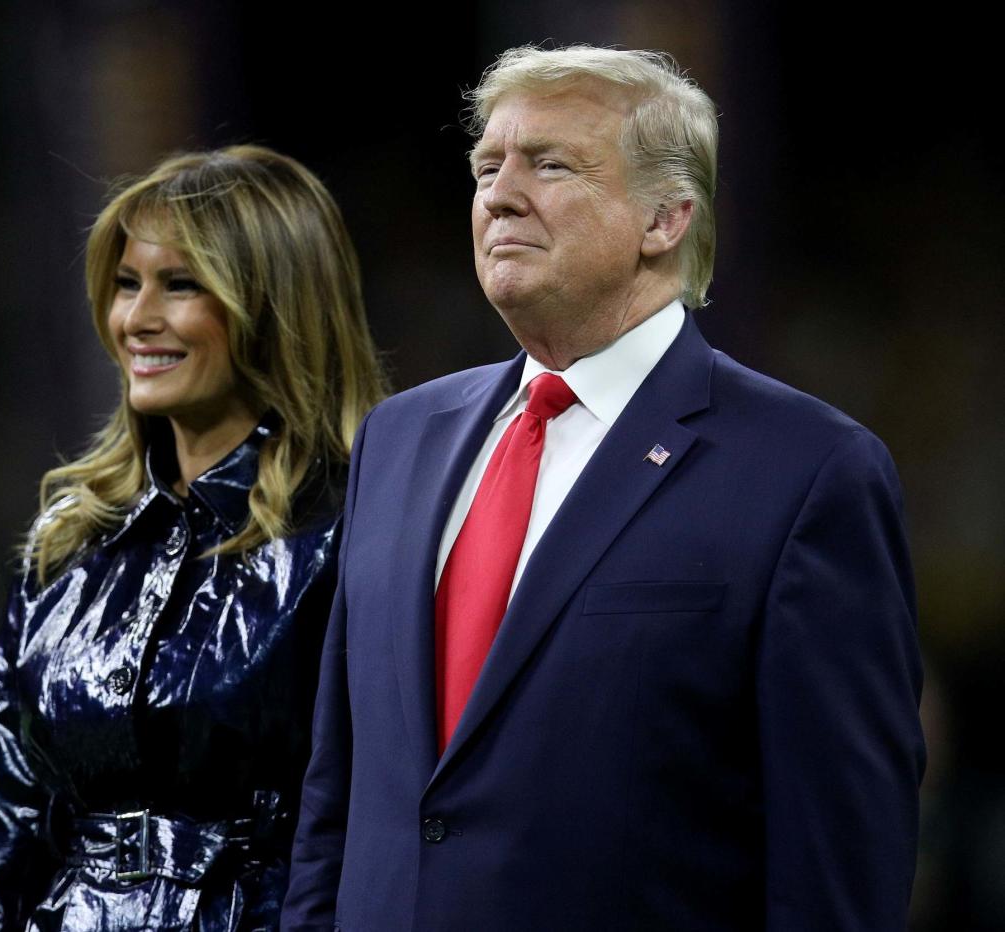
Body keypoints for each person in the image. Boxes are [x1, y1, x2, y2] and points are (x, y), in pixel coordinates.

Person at [282, 46, 924, 931]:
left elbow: (839, 860)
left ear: (666, 218)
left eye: (548, 164)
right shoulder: (398, 439)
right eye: (486, 168)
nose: (499, 194)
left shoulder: (807, 470)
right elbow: (337, 798)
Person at [0, 145, 386, 931]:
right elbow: (4, 837)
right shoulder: (67, 545)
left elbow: (382, 821)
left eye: (180, 284)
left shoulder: (360, 527)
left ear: (273, 302)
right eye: (127, 284)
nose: (136, 319)